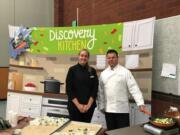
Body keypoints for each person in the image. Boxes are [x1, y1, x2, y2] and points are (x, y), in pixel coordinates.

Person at [97, 49, 150, 130]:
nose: (111, 59)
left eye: (113, 57)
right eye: (109, 58)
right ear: (107, 59)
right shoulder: (103, 74)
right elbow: (100, 91)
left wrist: (140, 103)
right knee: (111, 131)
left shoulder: (125, 72)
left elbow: (134, 88)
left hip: (122, 109)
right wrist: (101, 106)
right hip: (108, 109)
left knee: (123, 131)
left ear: (117, 58)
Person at [66, 49, 99, 123]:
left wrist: (88, 105)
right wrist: (79, 105)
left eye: (86, 56)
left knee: (86, 129)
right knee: (74, 129)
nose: (83, 58)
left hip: (89, 107)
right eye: (82, 55)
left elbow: (95, 89)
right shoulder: (72, 70)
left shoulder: (92, 70)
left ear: (88, 58)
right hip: (74, 107)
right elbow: (69, 89)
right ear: (78, 56)